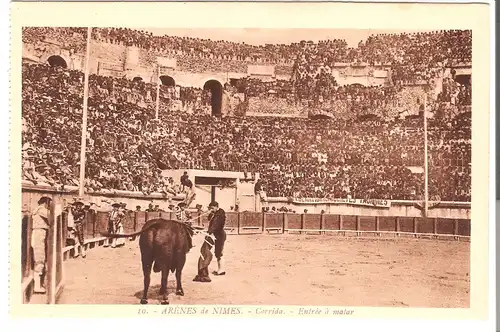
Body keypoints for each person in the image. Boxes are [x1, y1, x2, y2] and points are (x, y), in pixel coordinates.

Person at [31, 195, 52, 293]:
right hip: (39, 235)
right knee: (40, 259)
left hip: (39, 234)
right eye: (49, 203)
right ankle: (37, 286)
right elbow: (51, 216)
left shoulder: (38, 209)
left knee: (40, 259)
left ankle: (38, 285)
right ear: (45, 202)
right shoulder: (41, 209)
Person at [207, 201, 226, 276]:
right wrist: (211, 213)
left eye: (212, 208)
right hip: (218, 234)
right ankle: (220, 269)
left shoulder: (219, 214)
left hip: (220, 235)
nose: (211, 209)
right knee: (218, 252)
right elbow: (209, 219)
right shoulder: (216, 213)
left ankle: (221, 270)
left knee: (219, 253)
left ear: (216, 206)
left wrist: (209, 232)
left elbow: (215, 224)